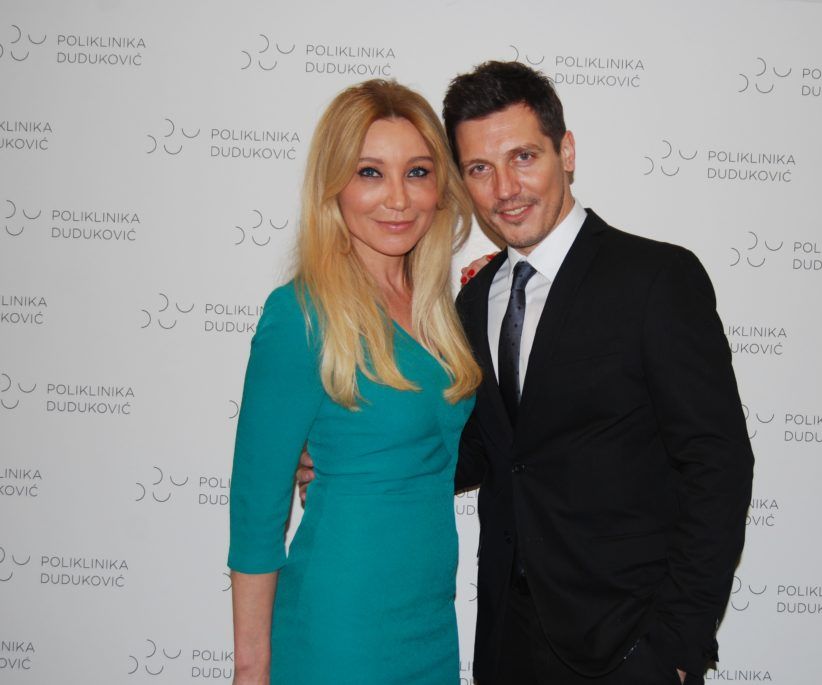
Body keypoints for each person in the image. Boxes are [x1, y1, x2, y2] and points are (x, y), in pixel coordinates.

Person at [300, 61, 754, 684]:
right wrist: (350, 459)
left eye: (523, 157)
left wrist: (677, 646)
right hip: (506, 644)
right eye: (479, 169)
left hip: (627, 646)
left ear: (566, 152)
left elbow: (718, 464)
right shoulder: (470, 300)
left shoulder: (654, 280)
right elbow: (483, 450)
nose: (505, 188)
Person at [228, 79, 481, 685]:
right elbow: (257, 510)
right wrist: (251, 668)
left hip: (429, 624)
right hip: (340, 626)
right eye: (370, 173)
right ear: (334, 185)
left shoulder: (439, 312)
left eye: (417, 172)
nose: (398, 198)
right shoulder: (300, 314)